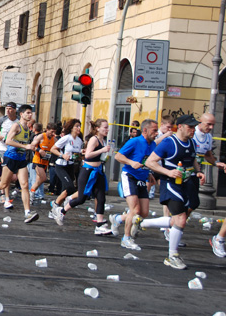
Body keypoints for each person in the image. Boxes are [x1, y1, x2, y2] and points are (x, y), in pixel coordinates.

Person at [142, 114, 205, 270]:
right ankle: (172, 256)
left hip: (186, 184)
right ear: (181, 127)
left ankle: (143, 222)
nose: (193, 129)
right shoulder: (169, 143)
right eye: (190, 127)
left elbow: (192, 159)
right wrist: (168, 172)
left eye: (194, 127)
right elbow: (149, 162)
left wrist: (198, 171)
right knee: (181, 219)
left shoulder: (191, 142)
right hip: (171, 185)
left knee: (177, 220)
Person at [0, 105, 39, 223]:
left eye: (31, 113)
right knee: (3, 184)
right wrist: (24, 146)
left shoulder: (27, 128)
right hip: (10, 157)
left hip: (21, 159)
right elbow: (8, 141)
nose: (30, 115)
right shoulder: (16, 126)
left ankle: (27, 213)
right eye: (27, 113)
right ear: (21, 114)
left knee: (25, 185)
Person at [53, 119, 112, 235]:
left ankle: (99, 225)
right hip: (88, 171)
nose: (107, 130)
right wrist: (102, 150)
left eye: (107, 127)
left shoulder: (102, 140)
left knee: (101, 197)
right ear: (98, 128)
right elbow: (89, 155)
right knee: (81, 198)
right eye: (105, 127)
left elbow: (87, 153)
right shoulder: (94, 139)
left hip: (98, 171)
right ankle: (62, 210)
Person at [109, 119, 158, 250]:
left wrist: (150, 174)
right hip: (129, 176)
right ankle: (126, 238)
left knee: (144, 213)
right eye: (154, 130)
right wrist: (131, 163)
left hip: (142, 178)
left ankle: (118, 219)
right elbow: (118, 156)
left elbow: (147, 162)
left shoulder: (152, 145)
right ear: (145, 130)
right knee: (135, 211)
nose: (156, 133)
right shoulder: (134, 141)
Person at [49, 119, 83, 224]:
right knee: (70, 187)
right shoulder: (66, 138)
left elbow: (77, 154)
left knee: (68, 189)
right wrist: (62, 155)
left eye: (79, 126)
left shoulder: (79, 141)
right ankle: (55, 204)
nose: (78, 128)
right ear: (71, 127)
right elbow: (53, 149)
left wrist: (81, 154)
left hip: (71, 166)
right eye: (77, 126)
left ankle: (55, 210)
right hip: (61, 165)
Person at [29, 123, 56, 197]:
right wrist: (39, 150)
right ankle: (31, 192)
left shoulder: (54, 139)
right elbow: (31, 145)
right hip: (37, 160)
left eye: (54, 132)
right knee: (43, 178)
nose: (53, 134)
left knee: (38, 180)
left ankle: (32, 193)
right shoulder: (41, 136)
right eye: (52, 132)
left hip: (45, 162)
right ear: (47, 130)